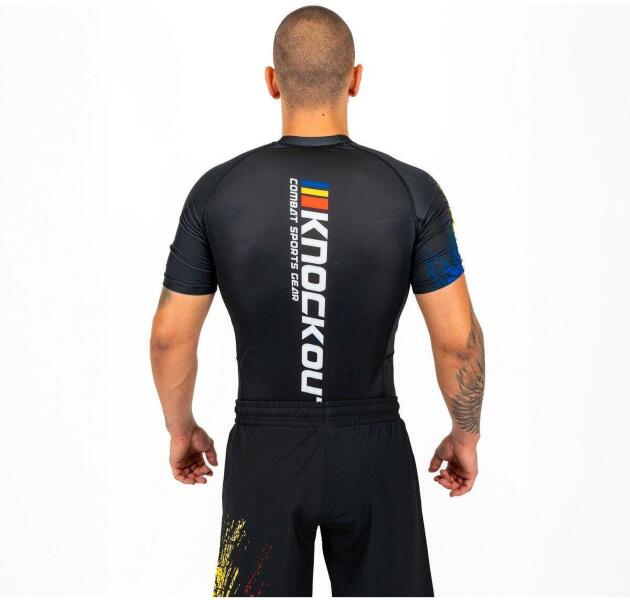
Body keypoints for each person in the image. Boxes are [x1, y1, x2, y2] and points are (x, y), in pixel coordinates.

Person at [150, 5, 485, 597]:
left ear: (272, 81)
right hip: (373, 451)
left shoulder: (217, 193)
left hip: (265, 456)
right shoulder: (413, 192)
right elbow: (458, 342)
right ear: (355, 79)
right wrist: (465, 434)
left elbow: (169, 338)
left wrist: (182, 429)